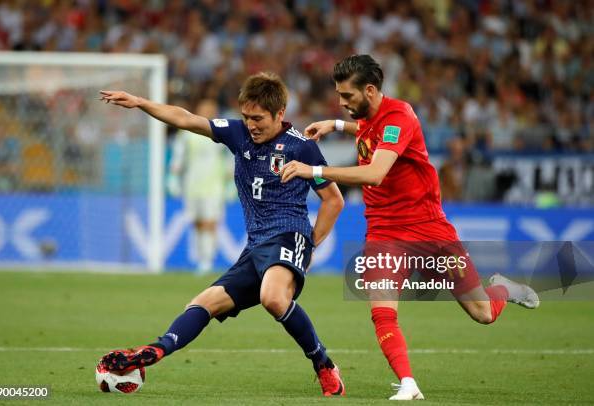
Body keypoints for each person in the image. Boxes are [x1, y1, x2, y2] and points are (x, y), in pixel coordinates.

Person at [280, 55, 539, 400]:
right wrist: (336, 125)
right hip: (383, 231)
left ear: (370, 91)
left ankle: (504, 290)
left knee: (483, 313)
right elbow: (369, 131)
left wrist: (313, 171)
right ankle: (408, 383)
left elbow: (374, 173)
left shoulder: (399, 116)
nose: (342, 103)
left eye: (347, 97)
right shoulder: (372, 118)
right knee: (382, 311)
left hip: (428, 228)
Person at [98, 72, 346, 396]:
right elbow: (186, 119)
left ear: (279, 114)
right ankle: (153, 352)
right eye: (246, 116)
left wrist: (310, 245)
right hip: (255, 247)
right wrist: (141, 102)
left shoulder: (302, 149)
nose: (251, 125)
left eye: (258, 118)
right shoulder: (238, 134)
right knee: (203, 303)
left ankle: (324, 365)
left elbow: (334, 200)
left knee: (272, 298)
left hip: (290, 235)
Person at [167, 99, 231, 273]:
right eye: (204, 108)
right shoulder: (187, 133)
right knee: (197, 222)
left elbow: (229, 159)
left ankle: (207, 260)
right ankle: (199, 257)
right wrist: (173, 177)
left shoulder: (222, 133)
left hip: (214, 185)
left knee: (210, 222)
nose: (208, 112)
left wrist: (230, 181)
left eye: (211, 109)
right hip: (192, 184)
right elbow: (178, 156)